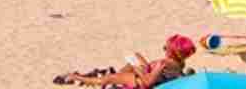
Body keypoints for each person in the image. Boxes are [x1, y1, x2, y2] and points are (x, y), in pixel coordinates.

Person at [62, 35, 195, 88]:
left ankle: (77, 77)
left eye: (166, 47)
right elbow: (160, 76)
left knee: (107, 79)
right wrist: (142, 63)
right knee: (134, 59)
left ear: (171, 51)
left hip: (139, 83)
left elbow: (147, 82)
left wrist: (140, 69)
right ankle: (113, 79)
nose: (164, 49)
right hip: (151, 78)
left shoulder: (163, 63)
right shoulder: (179, 64)